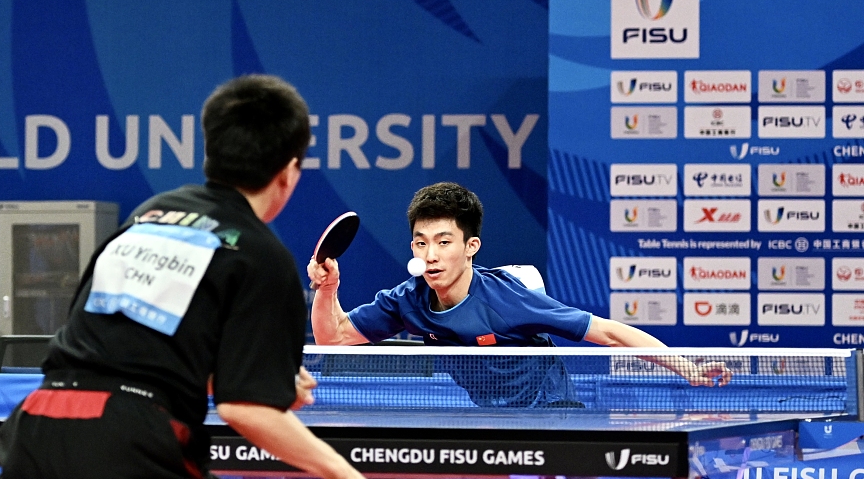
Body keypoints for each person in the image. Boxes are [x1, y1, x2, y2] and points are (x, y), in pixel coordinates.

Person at [0, 75, 388, 479]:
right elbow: (245, 410)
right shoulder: (262, 255)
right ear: (289, 171)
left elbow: (118, 349)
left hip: (40, 428)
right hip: (126, 441)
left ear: (210, 148)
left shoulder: (150, 216)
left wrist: (253, 375)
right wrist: (343, 474)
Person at [308, 182, 731, 405]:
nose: (430, 255)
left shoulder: (507, 299)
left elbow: (610, 333)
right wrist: (329, 289)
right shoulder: (408, 299)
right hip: (489, 415)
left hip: (550, 412)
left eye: (443, 241)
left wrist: (686, 367)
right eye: (421, 242)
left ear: (471, 247)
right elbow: (333, 338)